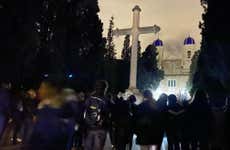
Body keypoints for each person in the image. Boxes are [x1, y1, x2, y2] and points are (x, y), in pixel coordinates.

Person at [29, 79, 68, 150]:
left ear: (50, 90)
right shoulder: (43, 107)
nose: (39, 90)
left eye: (42, 87)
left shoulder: (50, 111)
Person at [83, 80, 110, 150]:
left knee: (88, 147)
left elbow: (84, 111)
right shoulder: (106, 100)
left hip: (89, 128)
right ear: (105, 88)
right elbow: (108, 114)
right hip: (100, 129)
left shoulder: (89, 98)